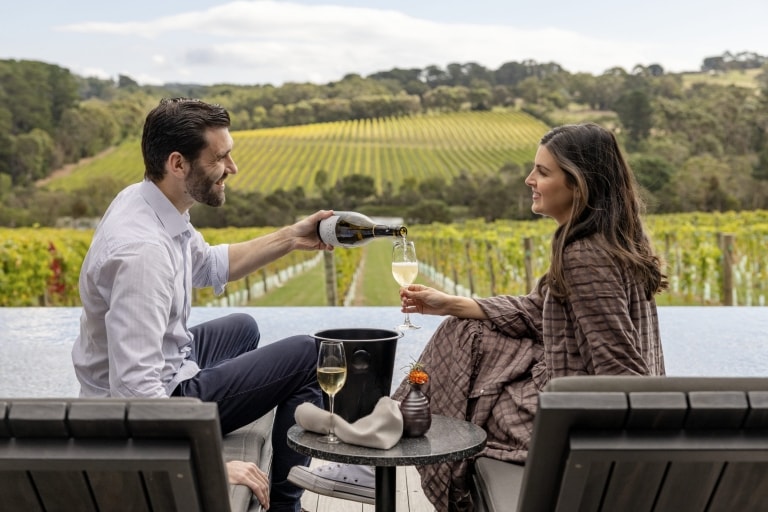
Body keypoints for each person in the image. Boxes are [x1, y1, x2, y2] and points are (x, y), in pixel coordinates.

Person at [296, 122, 667, 511]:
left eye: (542, 171)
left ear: (579, 183)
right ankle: (379, 439)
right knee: (466, 329)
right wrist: (453, 303)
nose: (529, 179)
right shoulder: (605, 240)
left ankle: (376, 448)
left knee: (468, 359)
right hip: (574, 406)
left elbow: (621, 373)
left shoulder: (586, 256)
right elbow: (543, 312)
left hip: (571, 424)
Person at [72, 97, 333, 512]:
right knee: (308, 355)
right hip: (148, 403)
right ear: (178, 164)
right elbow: (134, 391)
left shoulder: (150, 202)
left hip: (166, 366)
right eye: (221, 157)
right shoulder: (143, 253)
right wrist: (208, 462)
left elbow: (210, 264)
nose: (233, 168)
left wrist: (290, 237)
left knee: (243, 327)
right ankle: (286, 508)